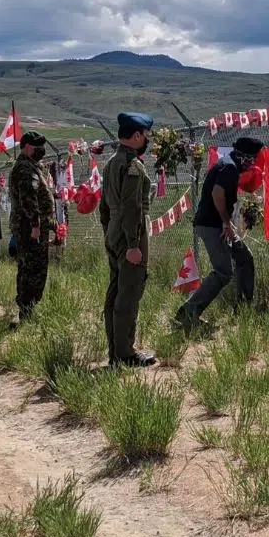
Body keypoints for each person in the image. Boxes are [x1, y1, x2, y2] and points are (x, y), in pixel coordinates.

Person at [174, 136, 263, 329]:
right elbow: (217, 194)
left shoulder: (228, 165)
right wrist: (226, 223)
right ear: (245, 157)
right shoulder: (229, 167)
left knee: (245, 257)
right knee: (223, 271)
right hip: (212, 225)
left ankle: (244, 309)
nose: (254, 163)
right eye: (253, 158)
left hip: (217, 223)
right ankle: (189, 312)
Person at [99, 112, 156, 367]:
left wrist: (109, 233)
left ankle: (116, 349)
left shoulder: (111, 162)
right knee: (129, 292)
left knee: (115, 291)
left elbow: (104, 206)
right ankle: (124, 354)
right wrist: (133, 244)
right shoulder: (133, 165)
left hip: (114, 230)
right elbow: (132, 207)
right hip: (129, 233)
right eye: (146, 135)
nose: (148, 140)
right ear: (136, 136)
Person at [8, 131, 56, 323]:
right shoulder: (25, 169)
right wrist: (36, 224)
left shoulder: (30, 166)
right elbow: (28, 199)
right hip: (30, 228)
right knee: (33, 270)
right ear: (27, 147)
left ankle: (27, 308)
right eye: (38, 147)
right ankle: (27, 311)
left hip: (30, 225)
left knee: (28, 268)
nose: (41, 150)